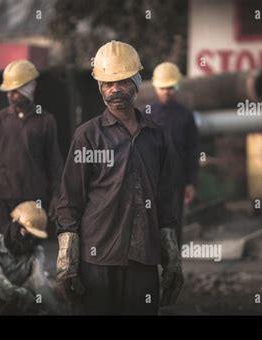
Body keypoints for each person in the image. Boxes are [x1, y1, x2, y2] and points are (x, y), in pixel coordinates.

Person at [56, 41, 184, 315]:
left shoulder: (155, 136)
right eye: (107, 83)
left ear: (137, 82)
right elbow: (70, 198)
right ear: (100, 87)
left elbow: (165, 202)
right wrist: (67, 260)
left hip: (143, 259)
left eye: (122, 81)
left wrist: (172, 257)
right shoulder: (88, 136)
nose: (114, 89)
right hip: (97, 258)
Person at [0, 60, 64, 237]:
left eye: (15, 90)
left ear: (29, 88)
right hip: (3, 199)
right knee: (3, 247)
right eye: (9, 91)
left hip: (34, 200)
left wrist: (56, 196)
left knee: (29, 249)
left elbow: (54, 162)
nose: (11, 95)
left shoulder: (46, 121)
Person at [0, 201, 57, 315]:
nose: (30, 241)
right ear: (15, 224)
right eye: (25, 232)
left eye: (34, 237)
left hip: (10, 306)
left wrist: (56, 308)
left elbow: (39, 282)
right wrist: (21, 294)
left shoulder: (35, 252)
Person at [146, 62, 200, 246]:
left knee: (174, 225)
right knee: (150, 225)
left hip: (176, 180)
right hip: (151, 180)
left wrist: (191, 182)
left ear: (176, 87)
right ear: (155, 87)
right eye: (162, 88)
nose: (166, 92)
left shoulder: (185, 116)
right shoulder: (147, 115)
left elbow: (193, 150)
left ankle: (173, 267)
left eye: (170, 88)